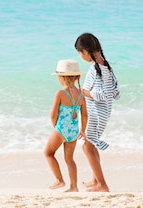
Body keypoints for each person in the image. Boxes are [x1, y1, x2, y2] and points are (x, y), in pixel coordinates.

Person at [74, 33, 120, 192]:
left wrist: (82, 91)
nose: (81, 56)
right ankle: (96, 179)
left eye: (80, 53)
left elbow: (96, 93)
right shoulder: (106, 65)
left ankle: (102, 184)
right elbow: (114, 92)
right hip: (104, 111)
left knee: (87, 147)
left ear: (86, 51)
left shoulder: (94, 68)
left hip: (96, 113)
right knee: (91, 145)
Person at [44, 59, 87, 192]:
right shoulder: (81, 94)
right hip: (74, 131)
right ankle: (74, 186)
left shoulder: (61, 93)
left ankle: (59, 179)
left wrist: (56, 128)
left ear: (62, 77)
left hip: (61, 128)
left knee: (48, 153)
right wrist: (82, 130)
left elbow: (53, 115)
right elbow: (85, 115)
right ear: (76, 77)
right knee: (69, 159)